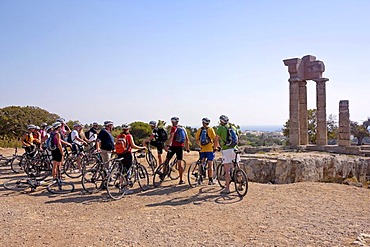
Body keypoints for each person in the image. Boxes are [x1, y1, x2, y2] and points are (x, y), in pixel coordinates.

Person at [214, 115, 240, 194]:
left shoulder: (220, 128)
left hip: (226, 150)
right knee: (237, 166)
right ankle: (241, 184)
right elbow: (238, 137)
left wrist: (216, 147)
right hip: (235, 149)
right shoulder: (233, 127)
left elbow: (216, 140)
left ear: (221, 121)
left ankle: (227, 188)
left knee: (227, 170)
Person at [165, 117, 190, 185]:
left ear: (172, 122)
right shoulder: (183, 128)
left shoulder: (173, 128)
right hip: (180, 147)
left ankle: (162, 175)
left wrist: (167, 145)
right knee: (179, 163)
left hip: (173, 147)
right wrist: (187, 148)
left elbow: (171, 137)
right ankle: (181, 180)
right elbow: (187, 139)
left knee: (167, 161)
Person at [195, 117, 217, 185]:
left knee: (202, 163)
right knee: (210, 165)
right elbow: (215, 138)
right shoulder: (210, 129)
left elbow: (197, 139)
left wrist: (200, 145)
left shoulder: (199, 130)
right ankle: (210, 180)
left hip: (202, 150)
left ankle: (200, 179)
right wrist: (215, 147)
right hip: (209, 149)